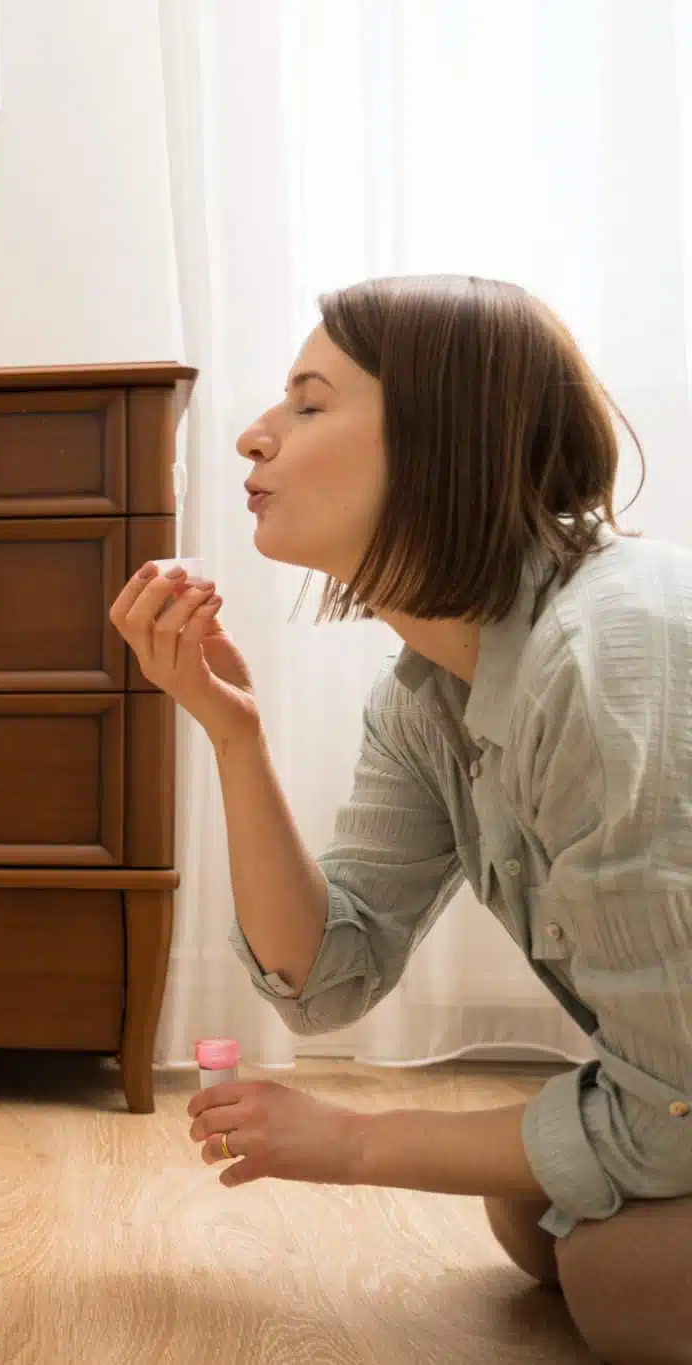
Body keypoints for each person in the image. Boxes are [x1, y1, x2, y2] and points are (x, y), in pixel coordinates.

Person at [110, 275, 692, 1364]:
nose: (252, 435)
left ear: (441, 442)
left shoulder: (610, 652)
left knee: (619, 1276)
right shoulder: (428, 691)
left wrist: (354, 1143)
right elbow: (325, 976)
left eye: (309, 402)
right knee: (534, 1216)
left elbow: (670, 1117)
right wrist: (231, 737)